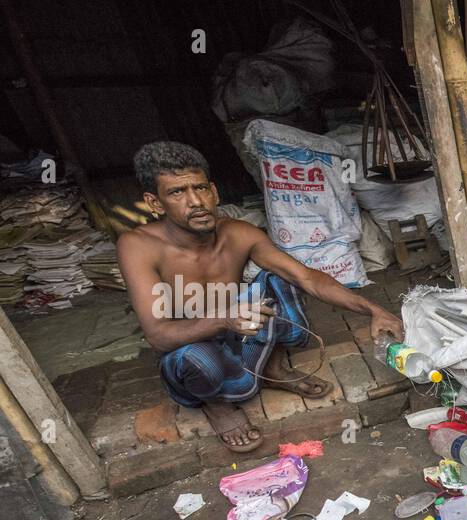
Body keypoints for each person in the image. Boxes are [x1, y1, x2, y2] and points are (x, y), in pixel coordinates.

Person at [117, 141, 404, 453]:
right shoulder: (138, 245)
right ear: (154, 203)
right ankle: (216, 406)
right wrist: (225, 318)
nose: (195, 201)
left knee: (278, 279)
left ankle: (274, 369)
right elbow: (158, 335)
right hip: (192, 348)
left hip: (239, 331)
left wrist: (373, 309)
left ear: (214, 191)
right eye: (177, 193)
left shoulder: (238, 233)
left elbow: (306, 276)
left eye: (200, 188)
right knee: (196, 360)